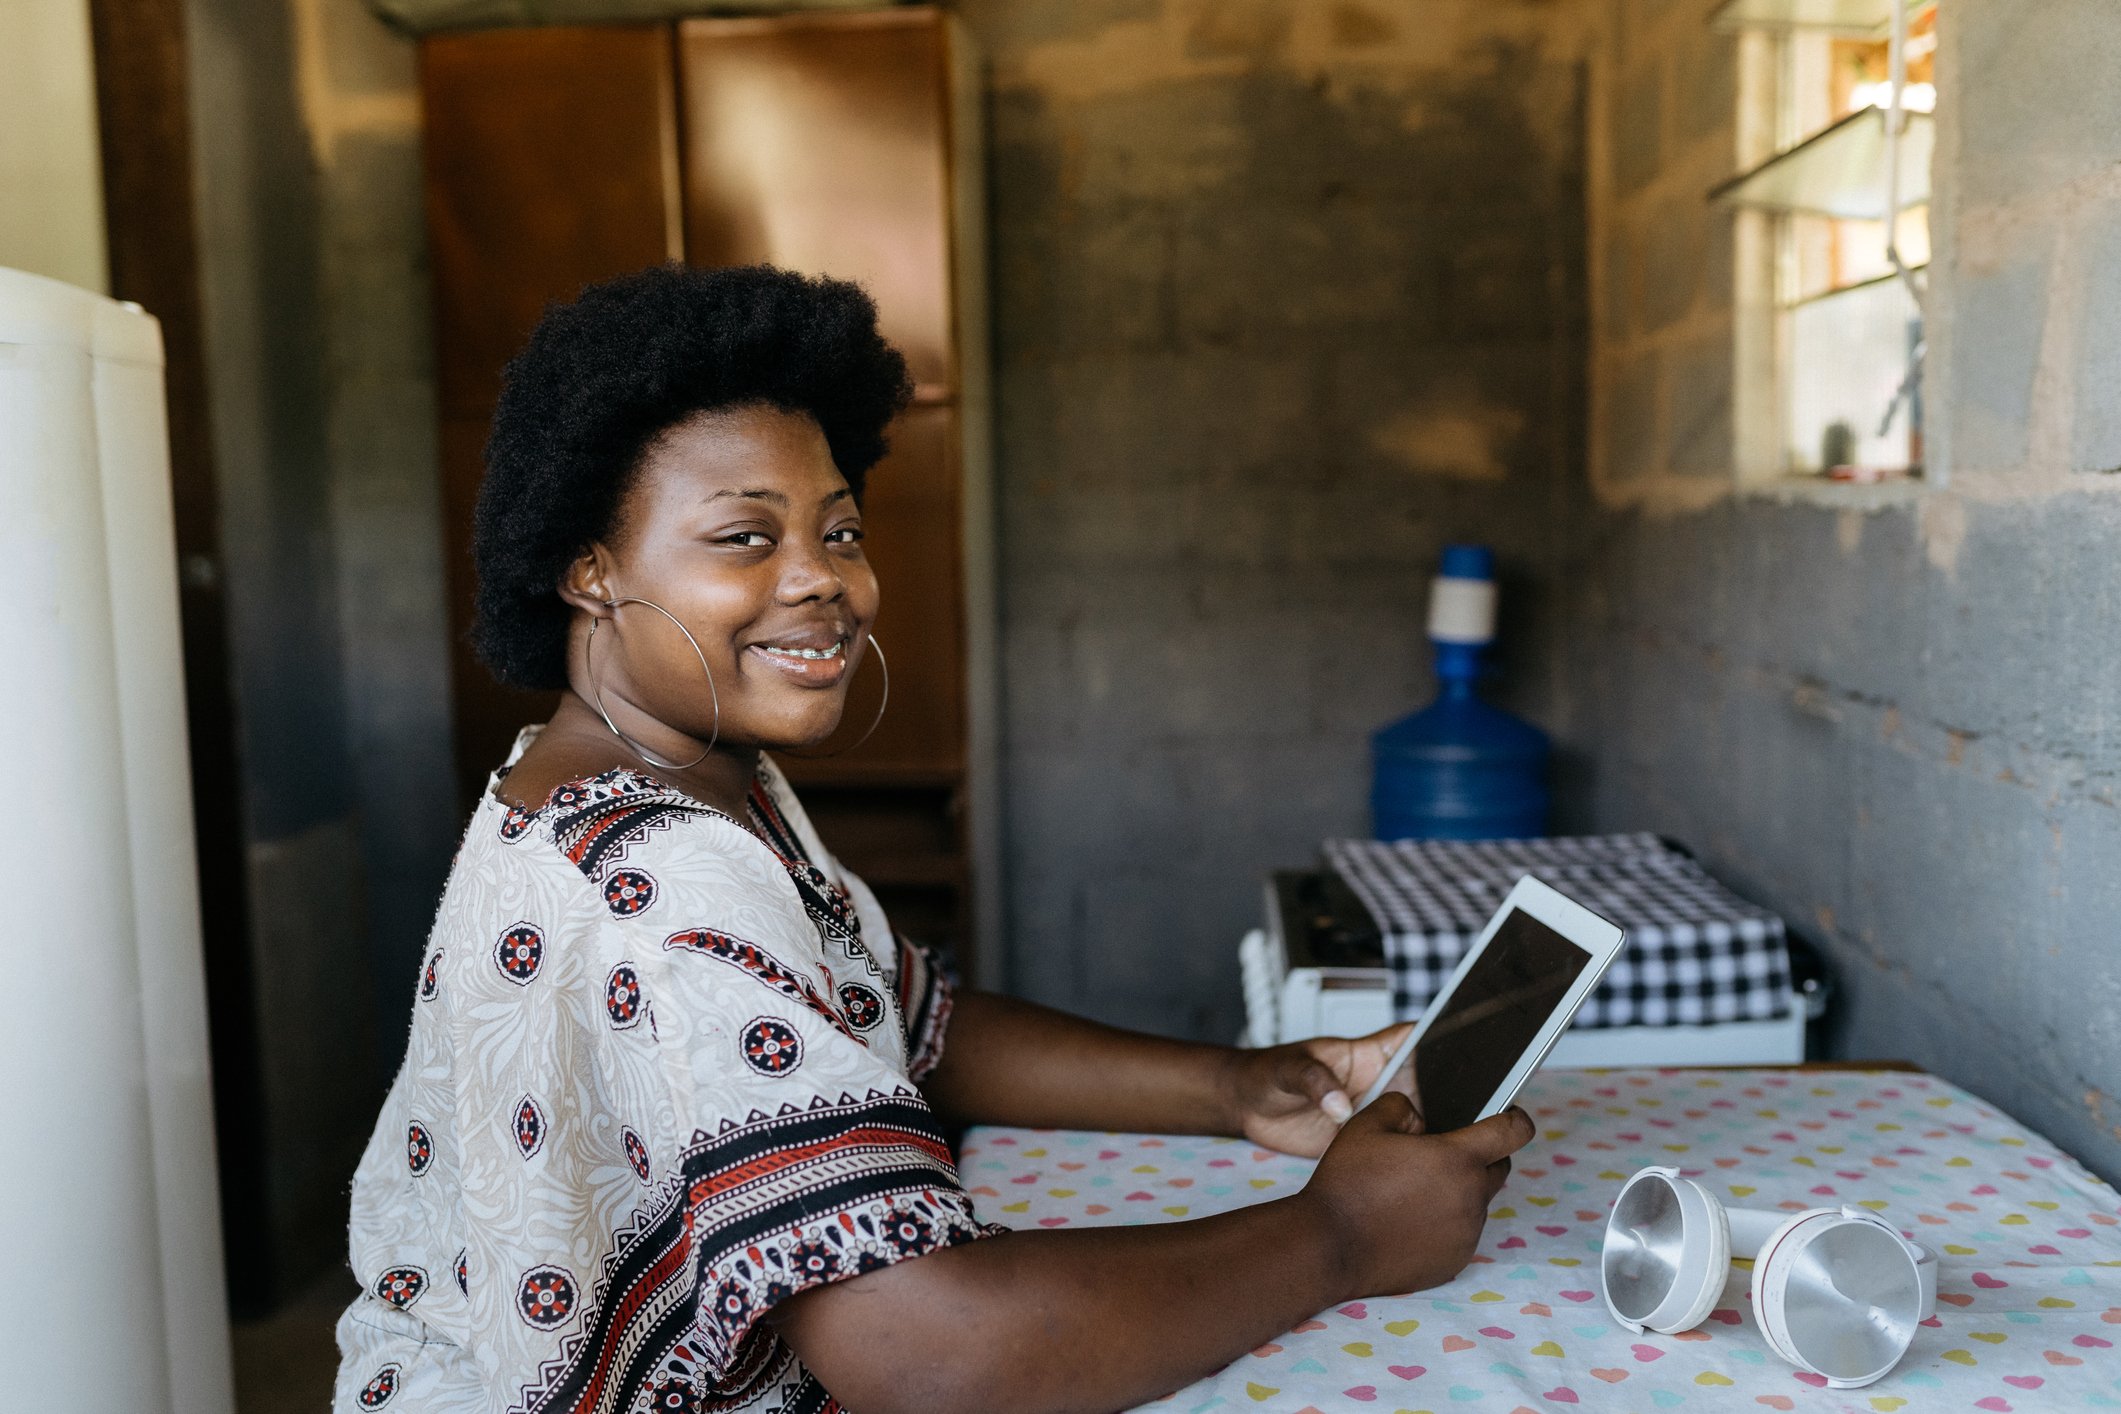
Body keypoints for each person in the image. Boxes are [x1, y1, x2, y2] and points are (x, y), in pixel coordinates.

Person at [334, 263, 1533, 1414]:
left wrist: (1236, 1088)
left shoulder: (666, 778)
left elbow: (911, 1020)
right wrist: (1340, 1233)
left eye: (840, 533)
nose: (823, 582)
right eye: (745, 536)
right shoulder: (662, 879)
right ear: (590, 572)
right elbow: (927, 1350)